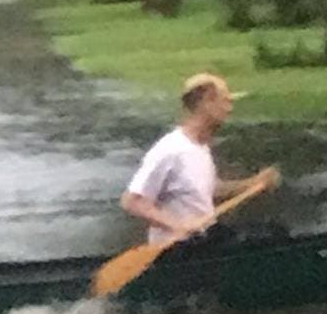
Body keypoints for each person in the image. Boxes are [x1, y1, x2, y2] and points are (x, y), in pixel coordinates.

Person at [120, 73, 281, 246]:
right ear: (207, 102)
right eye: (225, 101)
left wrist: (252, 184)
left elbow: (207, 189)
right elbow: (132, 201)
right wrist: (178, 225)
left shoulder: (200, 146)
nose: (230, 109)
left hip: (204, 238)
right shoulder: (170, 150)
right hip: (175, 250)